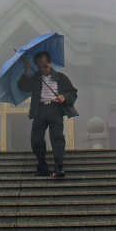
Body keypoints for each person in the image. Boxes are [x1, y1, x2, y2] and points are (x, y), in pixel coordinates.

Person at [17, 50, 78, 178]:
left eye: (45, 66)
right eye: (40, 67)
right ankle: (42, 166)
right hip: (40, 110)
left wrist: (64, 97)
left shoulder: (61, 77)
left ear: (50, 63)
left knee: (57, 138)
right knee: (36, 139)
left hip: (55, 109)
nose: (43, 69)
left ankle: (58, 167)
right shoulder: (36, 77)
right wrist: (27, 71)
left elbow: (73, 93)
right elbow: (23, 87)